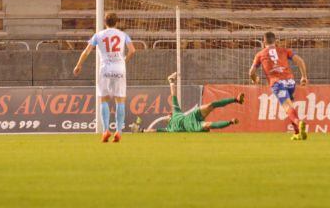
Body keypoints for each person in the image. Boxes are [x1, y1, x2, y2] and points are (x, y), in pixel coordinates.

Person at [73, 12, 136, 143]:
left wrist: (78, 65)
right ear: (117, 22)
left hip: (105, 69)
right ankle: (118, 131)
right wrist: (124, 61)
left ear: (104, 22)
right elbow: (132, 50)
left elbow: (87, 51)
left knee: (103, 99)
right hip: (119, 68)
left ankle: (106, 130)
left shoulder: (98, 35)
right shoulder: (123, 35)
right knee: (120, 100)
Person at [249, 32, 309, 140]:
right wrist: (304, 77)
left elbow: (251, 72)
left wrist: (255, 79)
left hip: (278, 83)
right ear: (275, 41)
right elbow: (300, 61)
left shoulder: (260, 54)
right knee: (290, 105)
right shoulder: (284, 50)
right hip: (290, 82)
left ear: (264, 42)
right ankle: (297, 133)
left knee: (287, 107)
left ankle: (299, 122)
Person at [146, 73, 244, 133]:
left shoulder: (176, 112)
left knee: (210, 105)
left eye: (167, 115)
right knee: (208, 125)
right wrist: (143, 131)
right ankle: (230, 122)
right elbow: (154, 131)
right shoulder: (168, 129)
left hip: (192, 116)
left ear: (170, 115)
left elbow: (173, 95)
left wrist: (171, 81)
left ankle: (236, 100)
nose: (166, 116)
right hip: (191, 126)